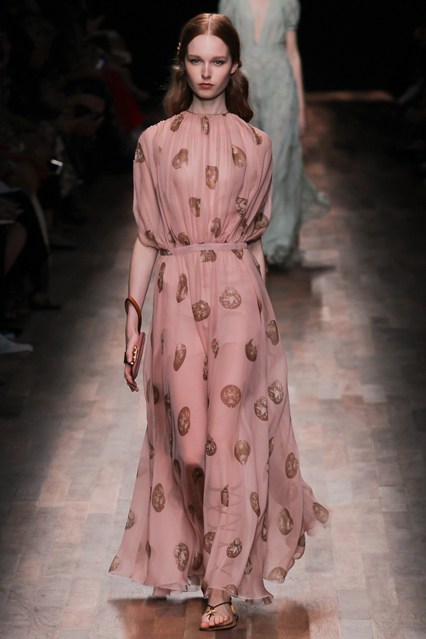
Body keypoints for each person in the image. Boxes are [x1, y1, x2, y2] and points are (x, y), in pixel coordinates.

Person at [109, 13, 329, 631]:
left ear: (234, 68)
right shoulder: (155, 142)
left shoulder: (256, 144)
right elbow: (147, 238)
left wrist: (266, 319)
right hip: (175, 293)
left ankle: (222, 587)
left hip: (238, 295)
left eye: (218, 61)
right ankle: (207, 557)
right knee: (190, 448)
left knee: (228, 439)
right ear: (184, 64)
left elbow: (254, 239)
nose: (207, 72)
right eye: (197, 60)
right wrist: (132, 320)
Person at [218, 0, 329, 269]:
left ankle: (275, 242)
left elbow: (293, 53)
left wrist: (300, 106)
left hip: (280, 83)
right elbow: (223, 48)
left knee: (279, 162)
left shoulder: (287, 2)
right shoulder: (231, 2)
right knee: (246, 163)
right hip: (243, 83)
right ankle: (245, 237)